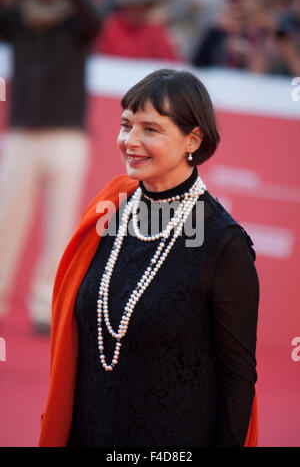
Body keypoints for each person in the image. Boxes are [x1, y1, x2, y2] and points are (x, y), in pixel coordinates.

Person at [39, 68, 259, 447]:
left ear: (193, 139)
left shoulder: (223, 244)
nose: (130, 141)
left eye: (151, 130)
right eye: (126, 125)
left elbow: (238, 380)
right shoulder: (109, 212)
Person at [0, 0, 102, 334]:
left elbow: (93, 21)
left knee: (60, 226)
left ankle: (46, 306)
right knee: (5, 221)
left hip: (68, 135)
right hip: (21, 134)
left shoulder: (78, 20)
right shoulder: (16, 18)